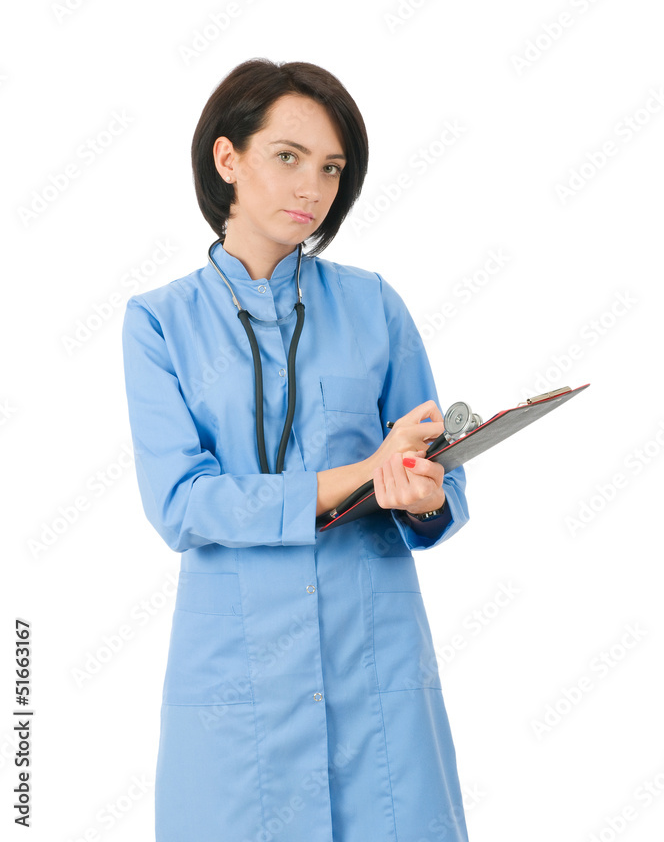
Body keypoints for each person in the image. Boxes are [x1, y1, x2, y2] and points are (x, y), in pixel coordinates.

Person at [121, 58, 471, 841]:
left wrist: (423, 494)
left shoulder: (375, 305)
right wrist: (363, 473)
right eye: (288, 157)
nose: (312, 188)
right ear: (227, 159)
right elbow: (182, 504)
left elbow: (439, 478)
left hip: (374, 667)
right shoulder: (159, 322)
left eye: (331, 168)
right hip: (236, 682)